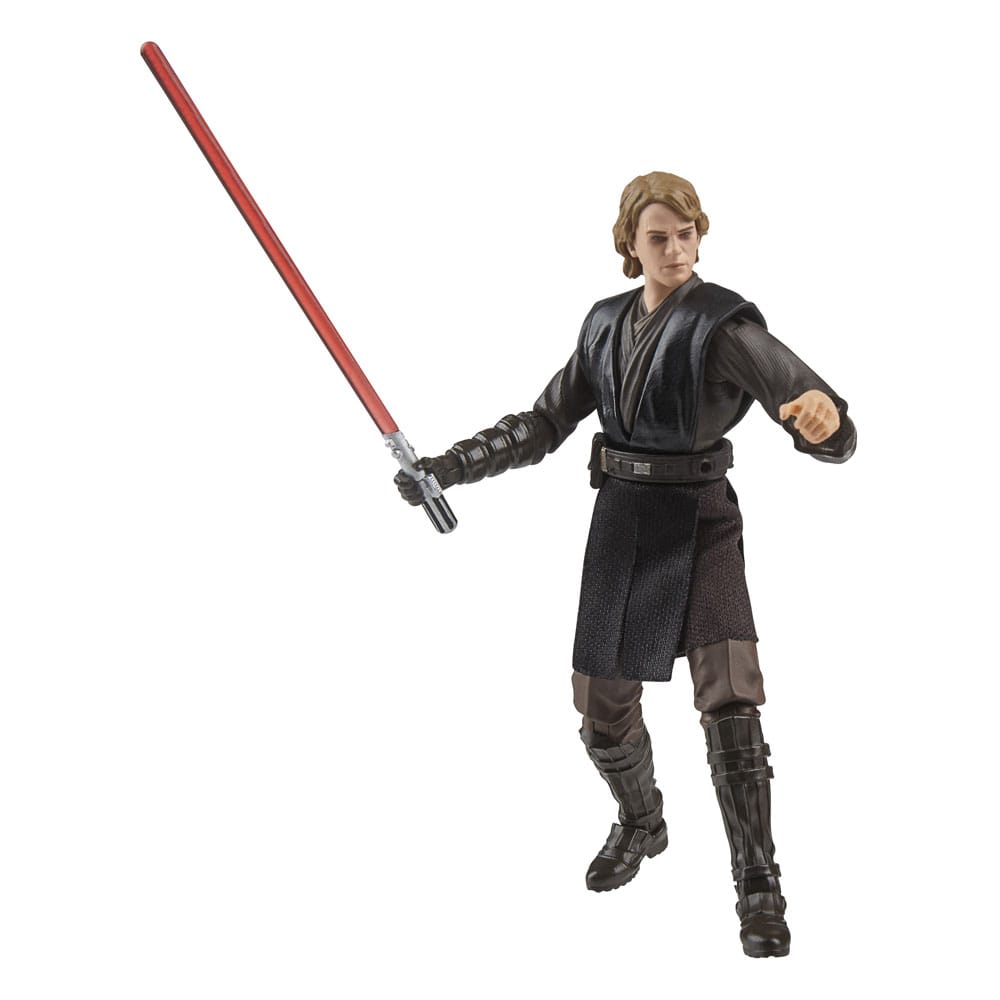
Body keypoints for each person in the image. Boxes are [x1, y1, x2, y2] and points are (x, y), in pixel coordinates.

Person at [395, 172, 856, 959]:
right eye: (658, 237)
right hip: (622, 518)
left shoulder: (724, 326)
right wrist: (452, 464)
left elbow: (818, 410)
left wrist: (825, 424)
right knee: (601, 707)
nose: (676, 249)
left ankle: (758, 881)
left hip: (701, 520)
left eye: (686, 233)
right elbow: (545, 422)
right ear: (630, 246)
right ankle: (642, 822)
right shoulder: (605, 324)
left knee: (731, 699)